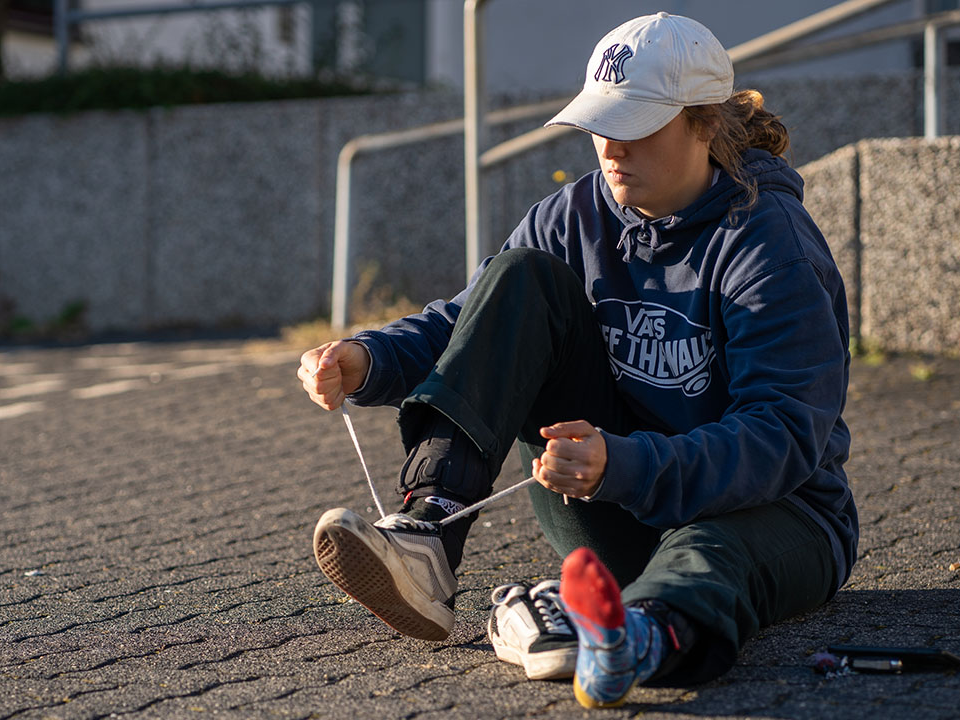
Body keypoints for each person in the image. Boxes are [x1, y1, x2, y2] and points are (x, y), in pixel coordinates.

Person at [297, 11, 857, 708]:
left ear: (704, 123)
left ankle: (632, 638)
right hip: (614, 501)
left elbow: (781, 436)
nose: (612, 147)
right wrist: (366, 357)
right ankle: (428, 534)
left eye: (637, 123)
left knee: (711, 554)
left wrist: (618, 463)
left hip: (781, 515)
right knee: (520, 275)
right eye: (601, 122)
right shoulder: (570, 216)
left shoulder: (772, 246)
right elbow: (472, 322)